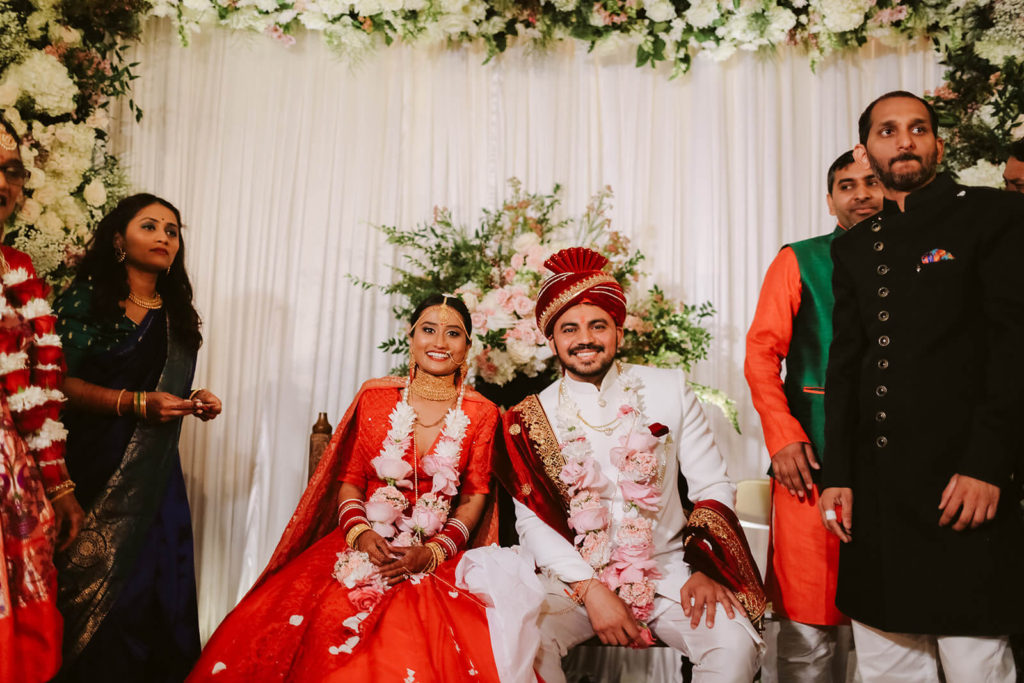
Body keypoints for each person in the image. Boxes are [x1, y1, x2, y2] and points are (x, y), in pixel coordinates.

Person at [188, 294, 543, 683]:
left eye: (453, 333)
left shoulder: (481, 412)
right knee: (320, 623)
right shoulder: (375, 397)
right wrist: (361, 533)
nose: (439, 342)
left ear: (467, 348)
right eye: (428, 329)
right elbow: (351, 481)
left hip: (436, 554)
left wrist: (432, 551)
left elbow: (475, 496)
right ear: (410, 337)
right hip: (362, 541)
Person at [819, 90, 1024, 682]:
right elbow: (847, 366)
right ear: (867, 149)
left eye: (917, 128)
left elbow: (1015, 350)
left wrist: (988, 464)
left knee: (975, 662)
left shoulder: (993, 216)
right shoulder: (855, 245)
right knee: (886, 669)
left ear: (938, 141)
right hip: (879, 499)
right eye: (887, 131)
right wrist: (839, 474)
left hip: (964, 486)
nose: (904, 140)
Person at [496, 247, 765, 683]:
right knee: (518, 646)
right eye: (569, 328)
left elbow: (712, 484)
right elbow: (532, 524)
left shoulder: (668, 388)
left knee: (733, 646)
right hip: (572, 583)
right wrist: (592, 590)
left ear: (618, 331)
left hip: (671, 572)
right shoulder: (527, 417)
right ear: (551, 341)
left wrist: (704, 568)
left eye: (597, 325)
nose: (585, 338)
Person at [53, 193, 222, 682]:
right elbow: (56, 381)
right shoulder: (88, 298)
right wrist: (134, 403)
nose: (164, 237)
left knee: (158, 590)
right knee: (101, 598)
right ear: (118, 239)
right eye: (150, 226)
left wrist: (192, 398)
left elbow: (159, 384)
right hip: (93, 467)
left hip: (155, 475)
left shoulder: (178, 312)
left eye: (172, 231)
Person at [745, 150, 882, 681]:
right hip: (809, 459)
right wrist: (782, 436)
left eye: (871, 182)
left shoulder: (924, 257)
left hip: (896, 463)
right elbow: (761, 354)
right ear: (830, 200)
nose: (861, 194)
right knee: (809, 622)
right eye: (847, 185)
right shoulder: (799, 259)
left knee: (894, 626)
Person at [0, 116, 83, 682]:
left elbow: (35, 394)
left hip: (11, 473)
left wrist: (60, 486)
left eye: (10, 171)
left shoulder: (19, 271)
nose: (2, 183)